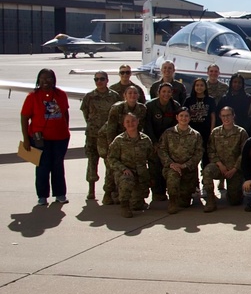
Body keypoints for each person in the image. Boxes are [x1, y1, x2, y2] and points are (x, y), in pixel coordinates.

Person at [20, 68, 71, 205]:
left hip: (60, 138)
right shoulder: (32, 97)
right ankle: (42, 196)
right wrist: (26, 139)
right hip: (40, 139)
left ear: (53, 80)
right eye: (42, 79)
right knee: (43, 166)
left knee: (58, 166)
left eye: (48, 79)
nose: (45, 82)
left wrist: (66, 130)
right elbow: (24, 117)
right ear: (38, 80)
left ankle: (60, 194)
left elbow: (65, 113)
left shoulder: (61, 95)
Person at [80, 70, 120, 202]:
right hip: (92, 134)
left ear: (107, 80)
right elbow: (86, 113)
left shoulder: (114, 96)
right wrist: (93, 126)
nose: (99, 82)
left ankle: (110, 190)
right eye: (96, 79)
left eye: (102, 79)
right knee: (92, 161)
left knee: (110, 163)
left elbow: (117, 114)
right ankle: (91, 190)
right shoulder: (89, 96)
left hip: (108, 135)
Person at [107, 112, 155, 217]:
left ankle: (136, 199)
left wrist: (152, 176)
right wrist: (123, 169)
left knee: (137, 206)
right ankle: (124, 205)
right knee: (126, 180)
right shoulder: (119, 140)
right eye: (127, 121)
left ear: (138, 122)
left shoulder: (145, 140)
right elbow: (111, 158)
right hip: (126, 174)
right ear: (124, 124)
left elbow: (152, 158)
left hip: (141, 175)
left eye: (133, 121)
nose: (130, 124)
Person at [201, 106, 248, 212]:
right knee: (207, 171)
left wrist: (235, 169)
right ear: (220, 117)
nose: (226, 118)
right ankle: (210, 200)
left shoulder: (241, 132)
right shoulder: (215, 132)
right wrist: (219, 164)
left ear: (233, 116)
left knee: (235, 201)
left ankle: (233, 191)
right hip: (219, 166)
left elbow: (244, 154)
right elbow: (211, 150)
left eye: (228, 115)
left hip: (234, 169)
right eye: (223, 116)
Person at [158, 108, 203, 214]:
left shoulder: (196, 135)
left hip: (188, 170)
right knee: (173, 176)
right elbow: (162, 150)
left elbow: (198, 153)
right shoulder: (168, 133)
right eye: (181, 116)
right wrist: (171, 164)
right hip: (172, 168)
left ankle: (183, 195)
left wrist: (184, 165)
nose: (184, 118)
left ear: (190, 118)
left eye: (186, 116)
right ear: (177, 117)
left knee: (184, 203)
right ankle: (172, 202)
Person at [145, 82, 181, 201]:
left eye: (169, 92)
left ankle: (169, 189)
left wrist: (168, 143)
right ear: (158, 93)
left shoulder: (175, 106)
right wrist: (154, 142)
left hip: (168, 141)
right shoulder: (150, 106)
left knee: (168, 165)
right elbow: (147, 125)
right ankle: (157, 192)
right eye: (163, 91)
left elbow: (175, 126)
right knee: (155, 166)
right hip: (153, 140)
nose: (166, 94)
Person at [185, 77, 217, 169]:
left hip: (206, 131)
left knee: (206, 155)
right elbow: (184, 115)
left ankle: (205, 177)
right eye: (197, 85)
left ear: (205, 87)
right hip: (192, 132)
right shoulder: (189, 100)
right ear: (194, 87)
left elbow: (213, 116)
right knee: (192, 155)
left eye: (202, 85)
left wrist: (212, 131)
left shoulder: (210, 100)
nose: (199, 87)